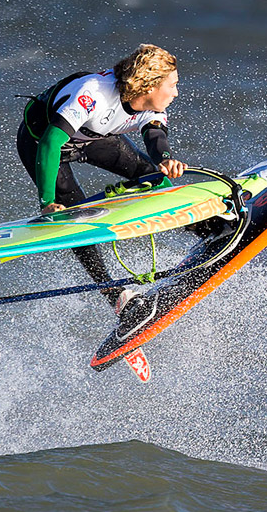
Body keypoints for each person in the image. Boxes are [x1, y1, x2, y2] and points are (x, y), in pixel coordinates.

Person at [16, 44, 187, 327]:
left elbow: (156, 138)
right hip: (42, 144)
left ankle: (207, 230)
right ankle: (115, 296)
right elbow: (51, 142)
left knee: (153, 178)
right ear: (151, 84)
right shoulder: (93, 93)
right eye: (173, 85)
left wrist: (166, 160)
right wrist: (47, 201)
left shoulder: (149, 105)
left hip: (92, 138)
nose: (176, 93)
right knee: (76, 219)